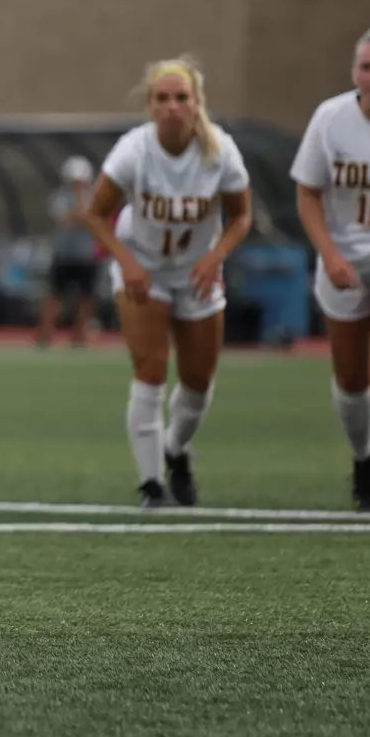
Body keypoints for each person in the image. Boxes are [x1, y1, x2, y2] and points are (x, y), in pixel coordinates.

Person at [83, 57, 252, 508]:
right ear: (149, 105)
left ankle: (175, 449)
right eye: (163, 98)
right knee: (150, 370)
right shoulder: (133, 151)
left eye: (182, 98)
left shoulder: (220, 151)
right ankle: (150, 483)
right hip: (144, 268)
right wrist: (127, 262)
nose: (172, 106)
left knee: (198, 381)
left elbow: (241, 216)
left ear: (197, 103)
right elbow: (96, 213)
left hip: (196, 271)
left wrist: (216, 257)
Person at [291, 26, 370, 511]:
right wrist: (329, 253)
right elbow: (307, 191)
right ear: (354, 72)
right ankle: (362, 456)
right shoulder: (330, 118)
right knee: (351, 380)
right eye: (366, 67)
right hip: (343, 254)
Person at [37, 156, 99, 349]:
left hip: (86, 255)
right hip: (63, 255)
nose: (77, 184)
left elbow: (91, 219)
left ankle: (80, 336)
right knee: (54, 295)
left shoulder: (95, 197)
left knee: (85, 297)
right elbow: (68, 218)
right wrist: (81, 213)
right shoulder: (58, 197)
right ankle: (45, 334)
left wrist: (82, 211)